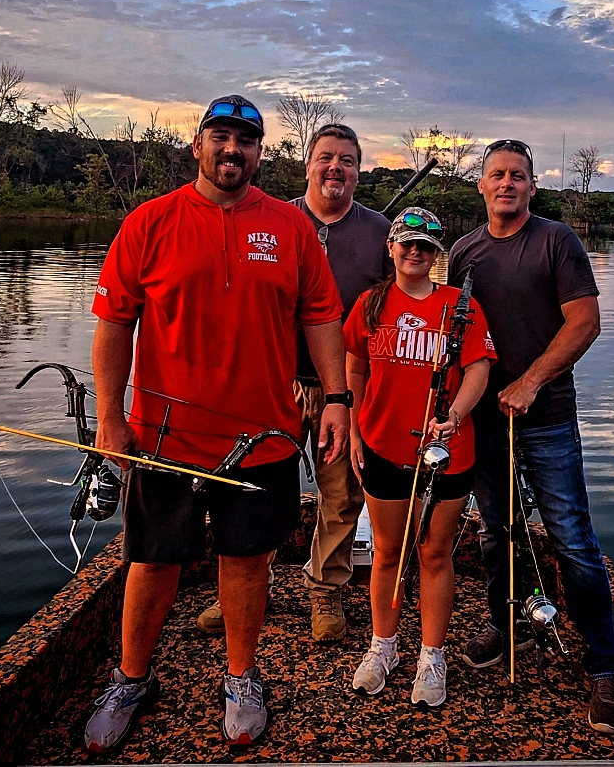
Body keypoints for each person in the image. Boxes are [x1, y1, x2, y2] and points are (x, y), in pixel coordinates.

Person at [83, 95, 350, 752]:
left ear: (261, 153)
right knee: (151, 561)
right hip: (164, 437)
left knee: (247, 560)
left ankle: (241, 676)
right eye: (221, 136)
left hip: (263, 437)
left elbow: (320, 316)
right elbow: (115, 323)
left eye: (246, 140)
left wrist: (338, 396)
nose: (233, 149)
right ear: (198, 145)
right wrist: (109, 418)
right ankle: (130, 677)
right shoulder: (150, 221)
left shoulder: (290, 227)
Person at [447, 139, 614, 733]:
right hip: (483, 421)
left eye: (517, 176)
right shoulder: (463, 253)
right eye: (496, 175)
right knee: (496, 531)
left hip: (546, 416)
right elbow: (451, 334)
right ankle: (508, 625)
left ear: (531, 186)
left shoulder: (556, 241)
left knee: (572, 539)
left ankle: (606, 664)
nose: (506, 184)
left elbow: (586, 322)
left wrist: (528, 382)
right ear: (481, 185)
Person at [196, 122, 390, 642]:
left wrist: (359, 394)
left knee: (341, 495)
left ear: (358, 170)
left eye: (347, 160)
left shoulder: (380, 233)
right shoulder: (272, 218)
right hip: (269, 385)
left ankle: (325, 593)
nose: (336, 168)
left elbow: (392, 312)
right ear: (307, 163)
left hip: (340, 388)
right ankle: (233, 590)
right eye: (326, 157)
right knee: (248, 491)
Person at [344, 208, 495, 707]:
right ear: (390, 248)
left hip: (447, 452)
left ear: (437, 255)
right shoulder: (370, 303)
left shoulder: (460, 306)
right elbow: (356, 365)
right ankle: (382, 646)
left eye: (426, 247)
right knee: (387, 551)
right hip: (384, 444)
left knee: (434, 552)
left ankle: (432, 654)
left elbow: (477, 370)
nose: (415, 253)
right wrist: (355, 427)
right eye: (406, 244)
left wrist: (454, 414)